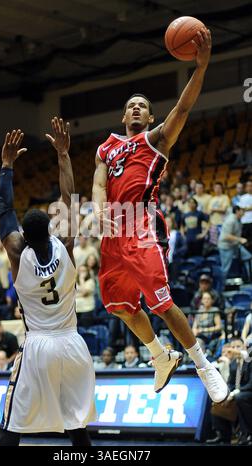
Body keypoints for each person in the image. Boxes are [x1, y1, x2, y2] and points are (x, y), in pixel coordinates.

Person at [92, 27, 228, 402]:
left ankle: (203, 364)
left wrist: (199, 68)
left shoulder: (155, 140)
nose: (135, 108)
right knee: (119, 307)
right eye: (131, 105)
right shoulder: (107, 147)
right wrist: (99, 211)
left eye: (142, 106)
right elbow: (99, 183)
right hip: (113, 232)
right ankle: (159, 355)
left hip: (142, 225)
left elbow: (184, 107)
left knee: (162, 304)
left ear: (150, 118)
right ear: (123, 116)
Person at [0, 122, 96, 447]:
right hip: (72, 343)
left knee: (11, 427)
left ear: (23, 237)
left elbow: (5, 209)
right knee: (76, 425)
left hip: (39, 345)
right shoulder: (64, 243)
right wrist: (63, 155)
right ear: (49, 230)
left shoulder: (15, 252)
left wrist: (7, 166)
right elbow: (69, 196)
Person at [218, 205, 252, 284]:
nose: (244, 212)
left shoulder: (239, 219)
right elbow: (226, 236)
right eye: (242, 210)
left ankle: (249, 279)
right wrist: (240, 239)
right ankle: (221, 287)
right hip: (226, 247)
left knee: (248, 257)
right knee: (225, 268)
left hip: (235, 245)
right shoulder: (231, 220)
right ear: (237, 211)